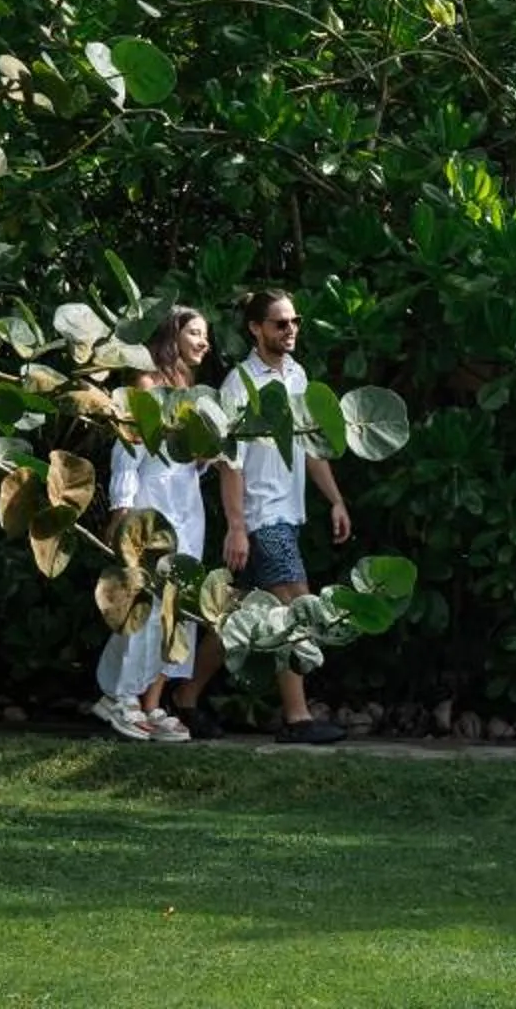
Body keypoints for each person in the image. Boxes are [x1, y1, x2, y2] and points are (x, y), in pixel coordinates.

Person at [166, 288, 353, 745]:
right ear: (255, 328)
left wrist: (335, 499)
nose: (290, 331)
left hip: (288, 514)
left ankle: (185, 698)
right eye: (280, 324)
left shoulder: (298, 375)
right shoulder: (239, 383)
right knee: (295, 605)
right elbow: (231, 461)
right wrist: (236, 526)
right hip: (260, 517)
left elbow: (311, 444)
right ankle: (297, 717)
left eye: (294, 322)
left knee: (236, 614)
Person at [90, 305, 213, 743]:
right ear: (173, 335)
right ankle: (117, 697)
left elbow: (187, 465)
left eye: (206, 335)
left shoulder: (190, 389)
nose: (204, 342)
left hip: (187, 512)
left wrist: (203, 456)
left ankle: (152, 703)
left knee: (177, 610)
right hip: (149, 510)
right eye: (196, 333)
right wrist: (121, 510)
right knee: (140, 607)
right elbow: (128, 452)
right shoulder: (145, 385)